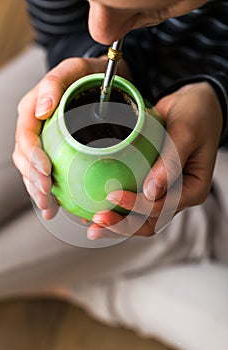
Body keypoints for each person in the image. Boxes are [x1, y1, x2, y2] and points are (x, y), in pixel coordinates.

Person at [13, 0, 228, 239]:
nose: (101, 32)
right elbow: (62, 31)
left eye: (157, 7)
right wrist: (91, 58)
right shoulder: (100, 29)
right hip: (72, 60)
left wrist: (220, 97)